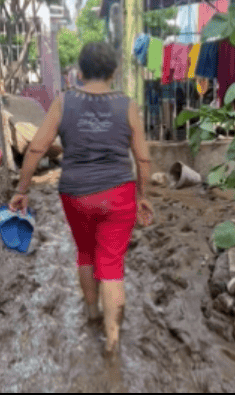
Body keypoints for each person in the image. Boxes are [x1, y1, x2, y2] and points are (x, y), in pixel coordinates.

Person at [9, 42, 154, 360]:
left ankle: (91, 313)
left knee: (86, 252)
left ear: (80, 71)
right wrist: (143, 196)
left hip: (75, 194)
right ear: (114, 73)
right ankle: (112, 336)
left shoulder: (64, 101)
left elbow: (36, 148)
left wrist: (22, 189)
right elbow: (143, 159)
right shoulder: (128, 105)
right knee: (112, 264)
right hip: (119, 194)